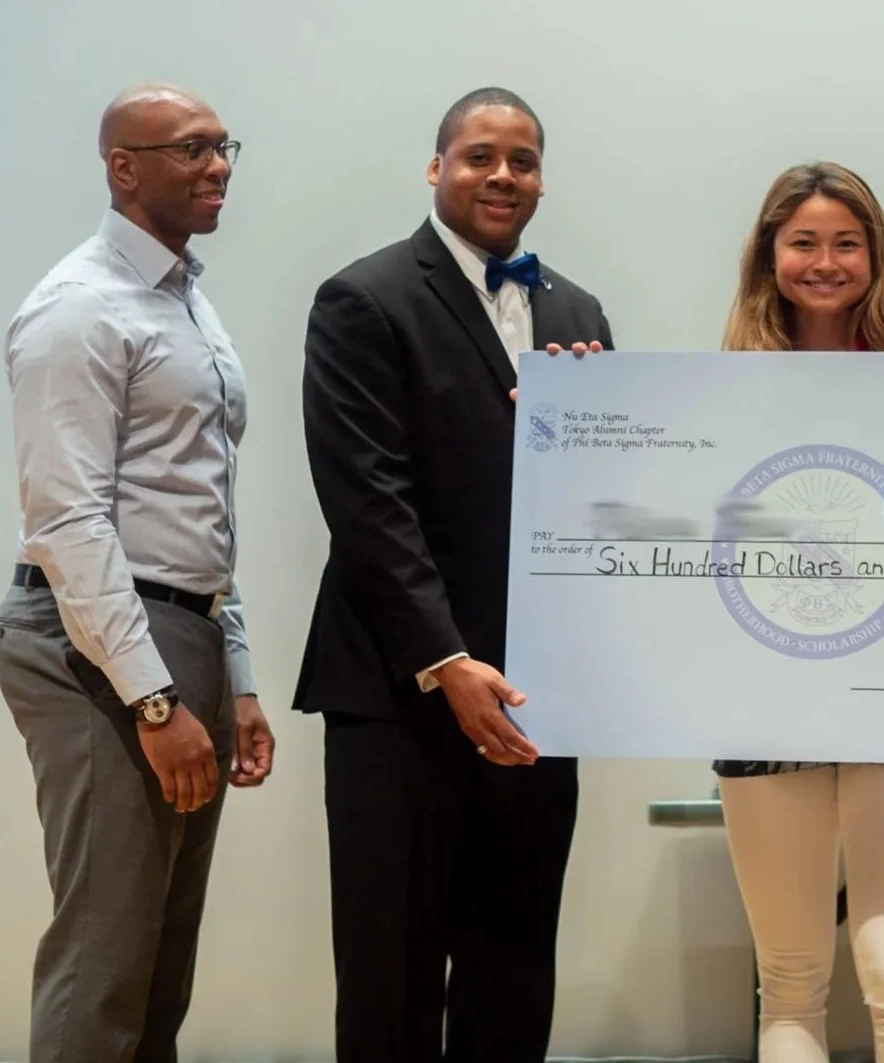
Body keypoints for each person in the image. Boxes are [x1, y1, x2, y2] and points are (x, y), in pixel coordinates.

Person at [295, 86, 613, 1062]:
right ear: (435, 169)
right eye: (479, 155)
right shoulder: (364, 297)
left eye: (522, 160)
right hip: (402, 694)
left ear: (542, 180)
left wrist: (602, 421)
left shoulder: (578, 309)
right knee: (393, 972)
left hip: (533, 698)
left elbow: (602, 496)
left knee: (514, 962)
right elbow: (368, 503)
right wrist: (446, 656)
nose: (502, 175)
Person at [0, 82, 275, 1063]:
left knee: (158, 962)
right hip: (95, 650)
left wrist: (230, 677)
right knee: (103, 962)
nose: (220, 165)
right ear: (124, 167)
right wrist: (153, 701)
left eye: (223, 145)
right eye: (192, 149)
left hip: (177, 632)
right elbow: (69, 520)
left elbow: (199, 509)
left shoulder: (184, 298)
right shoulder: (79, 309)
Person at [714, 161, 884, 1063]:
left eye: (846, 243)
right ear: (769, 255)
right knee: (789, 974)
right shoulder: (713, 397)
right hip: (763, 690)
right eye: (804, 242)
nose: (826, 261)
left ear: (876, 254)